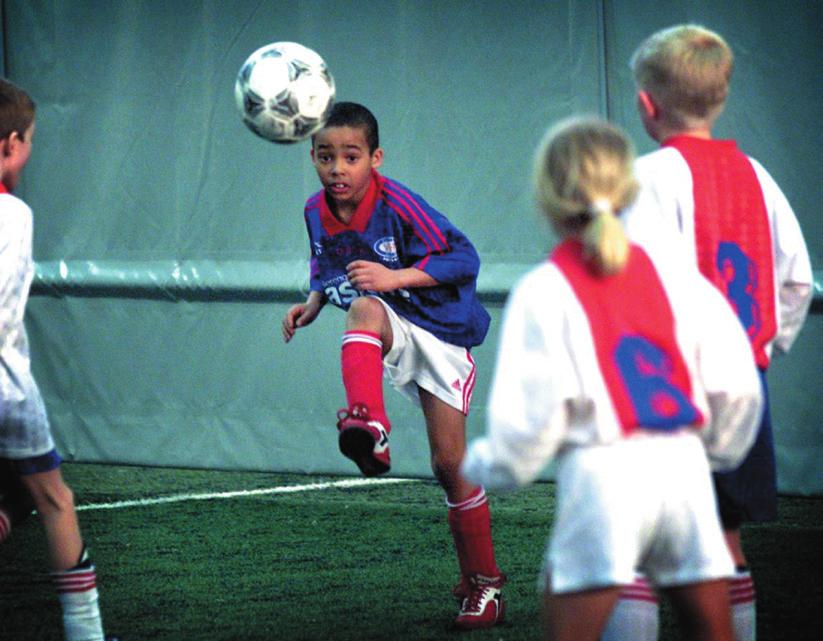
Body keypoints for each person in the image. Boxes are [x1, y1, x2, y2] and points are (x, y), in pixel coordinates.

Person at [461, 116, 764, 641]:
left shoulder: (545, 290)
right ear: (628, 188)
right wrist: (715, 454)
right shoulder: (679, 277)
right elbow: (737, 386)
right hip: (684, 468)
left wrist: (487, 466)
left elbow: (529, 428)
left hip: (602, 480)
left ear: (548, 199)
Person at [603, 24, 813, 641]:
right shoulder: (759, 177)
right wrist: (760, 353)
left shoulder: (648, 178)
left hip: (668, 387)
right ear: (720, 98)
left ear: (646, 104)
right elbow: (797, 283)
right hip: (744, 389)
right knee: (724, 539)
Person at [281, 101, 505, 629]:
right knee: (362, 308)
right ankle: (369, 423)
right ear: (312, 158)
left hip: (442, 329)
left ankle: (486, 585)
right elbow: (326, 262)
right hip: (387, 317)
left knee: (450, 467)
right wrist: (313, 302)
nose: (337, 168)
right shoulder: (315, 210)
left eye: (351, 157)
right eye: (325, 156)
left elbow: (463, 257)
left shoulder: (400, 203)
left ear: (375, 158)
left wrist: (393, 276)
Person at [0, 78, 117, 640]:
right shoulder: (14, 215)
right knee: (53, 498)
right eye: (29, 143)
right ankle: (86, 635)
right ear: (11, 144)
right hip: (7, 386)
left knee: (24, 495)